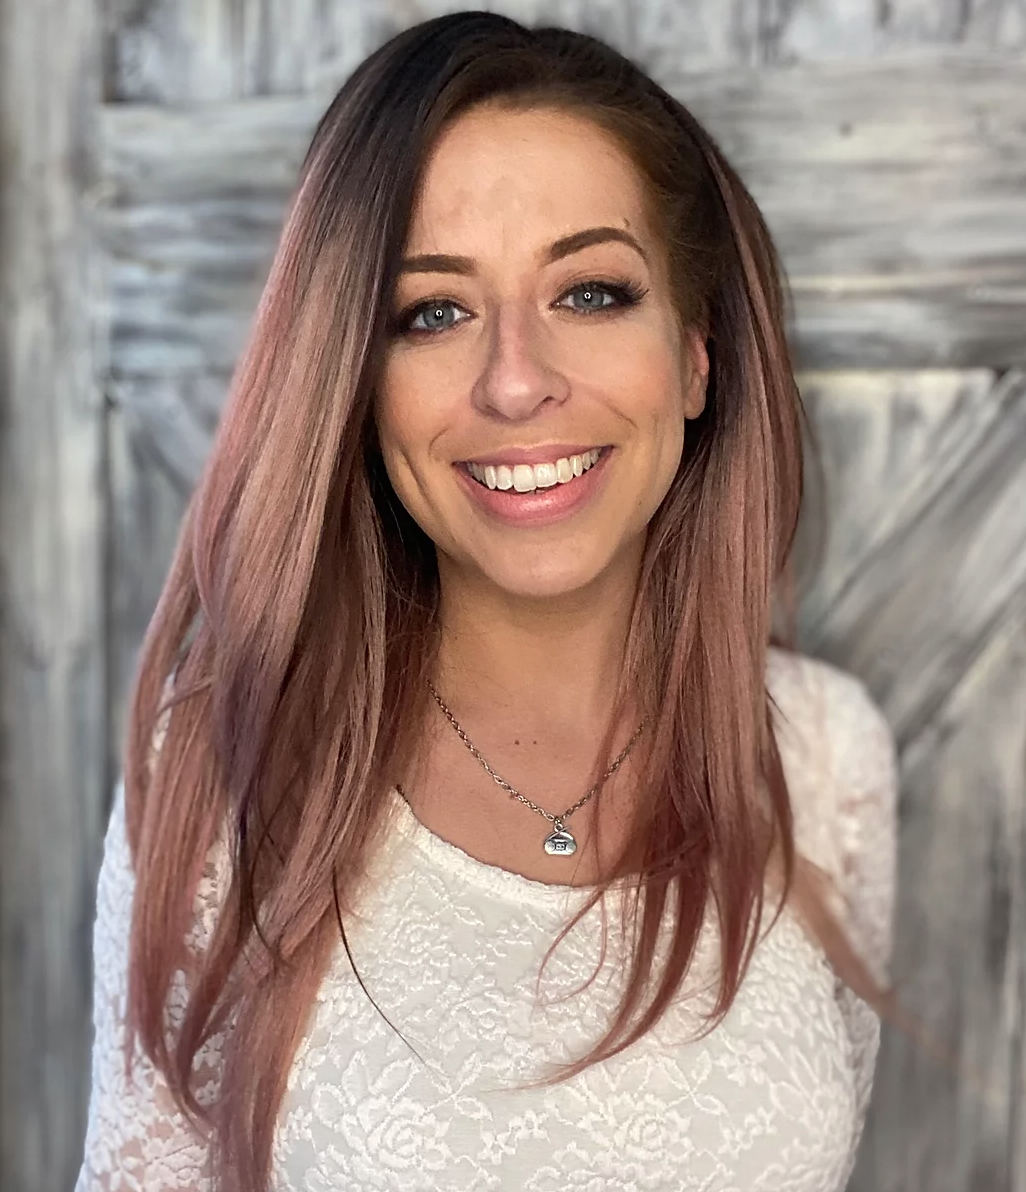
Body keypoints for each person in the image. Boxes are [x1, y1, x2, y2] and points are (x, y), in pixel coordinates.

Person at [76, 11, 899, 1191]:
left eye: (592, 293)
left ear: (697, 353)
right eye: (433, 312)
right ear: (356, 382)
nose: (516, 383)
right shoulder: (219, 771)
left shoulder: (823, 754)